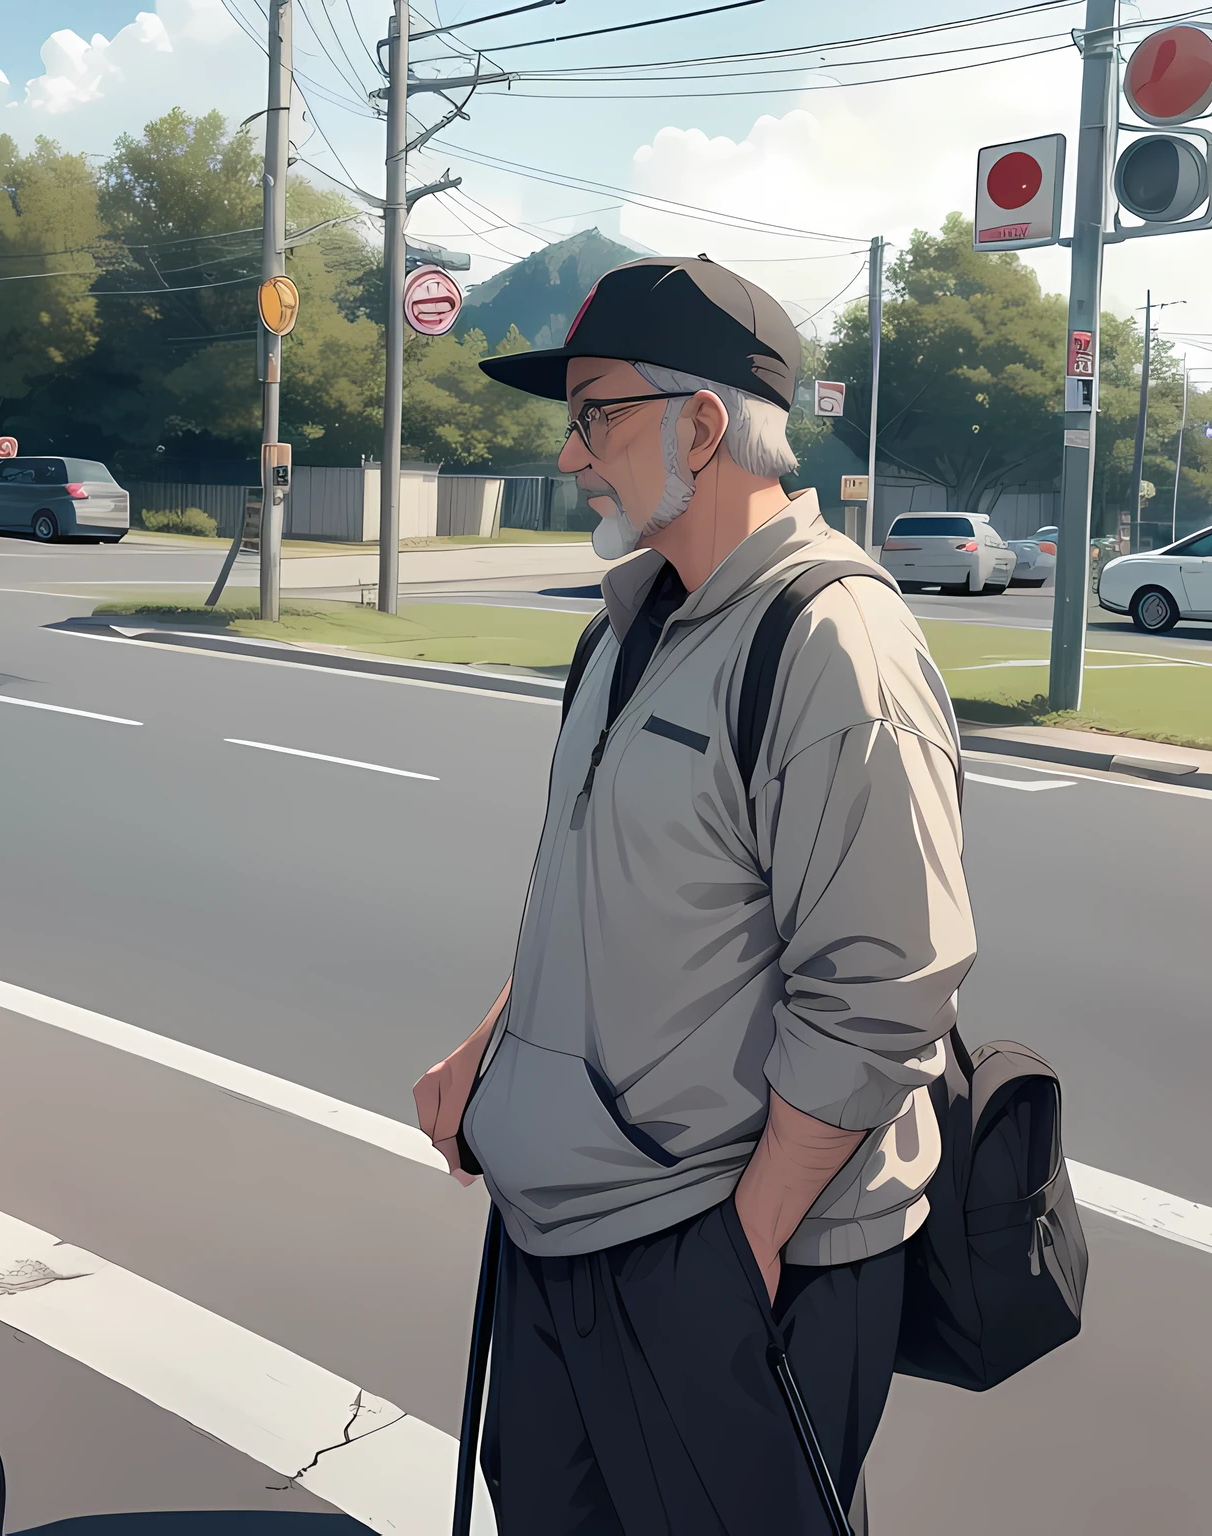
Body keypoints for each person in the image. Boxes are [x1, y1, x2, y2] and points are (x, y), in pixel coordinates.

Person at [412, 257, 975, 1534]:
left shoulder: (834, 641)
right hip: (563, 1235)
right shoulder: (624, 625)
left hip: (720, 1251)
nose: (572, 456)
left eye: (594, 414)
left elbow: (888, 986)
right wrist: (488, 1050)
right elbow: (610, 894)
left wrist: (747, 1241)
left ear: (702, 422)